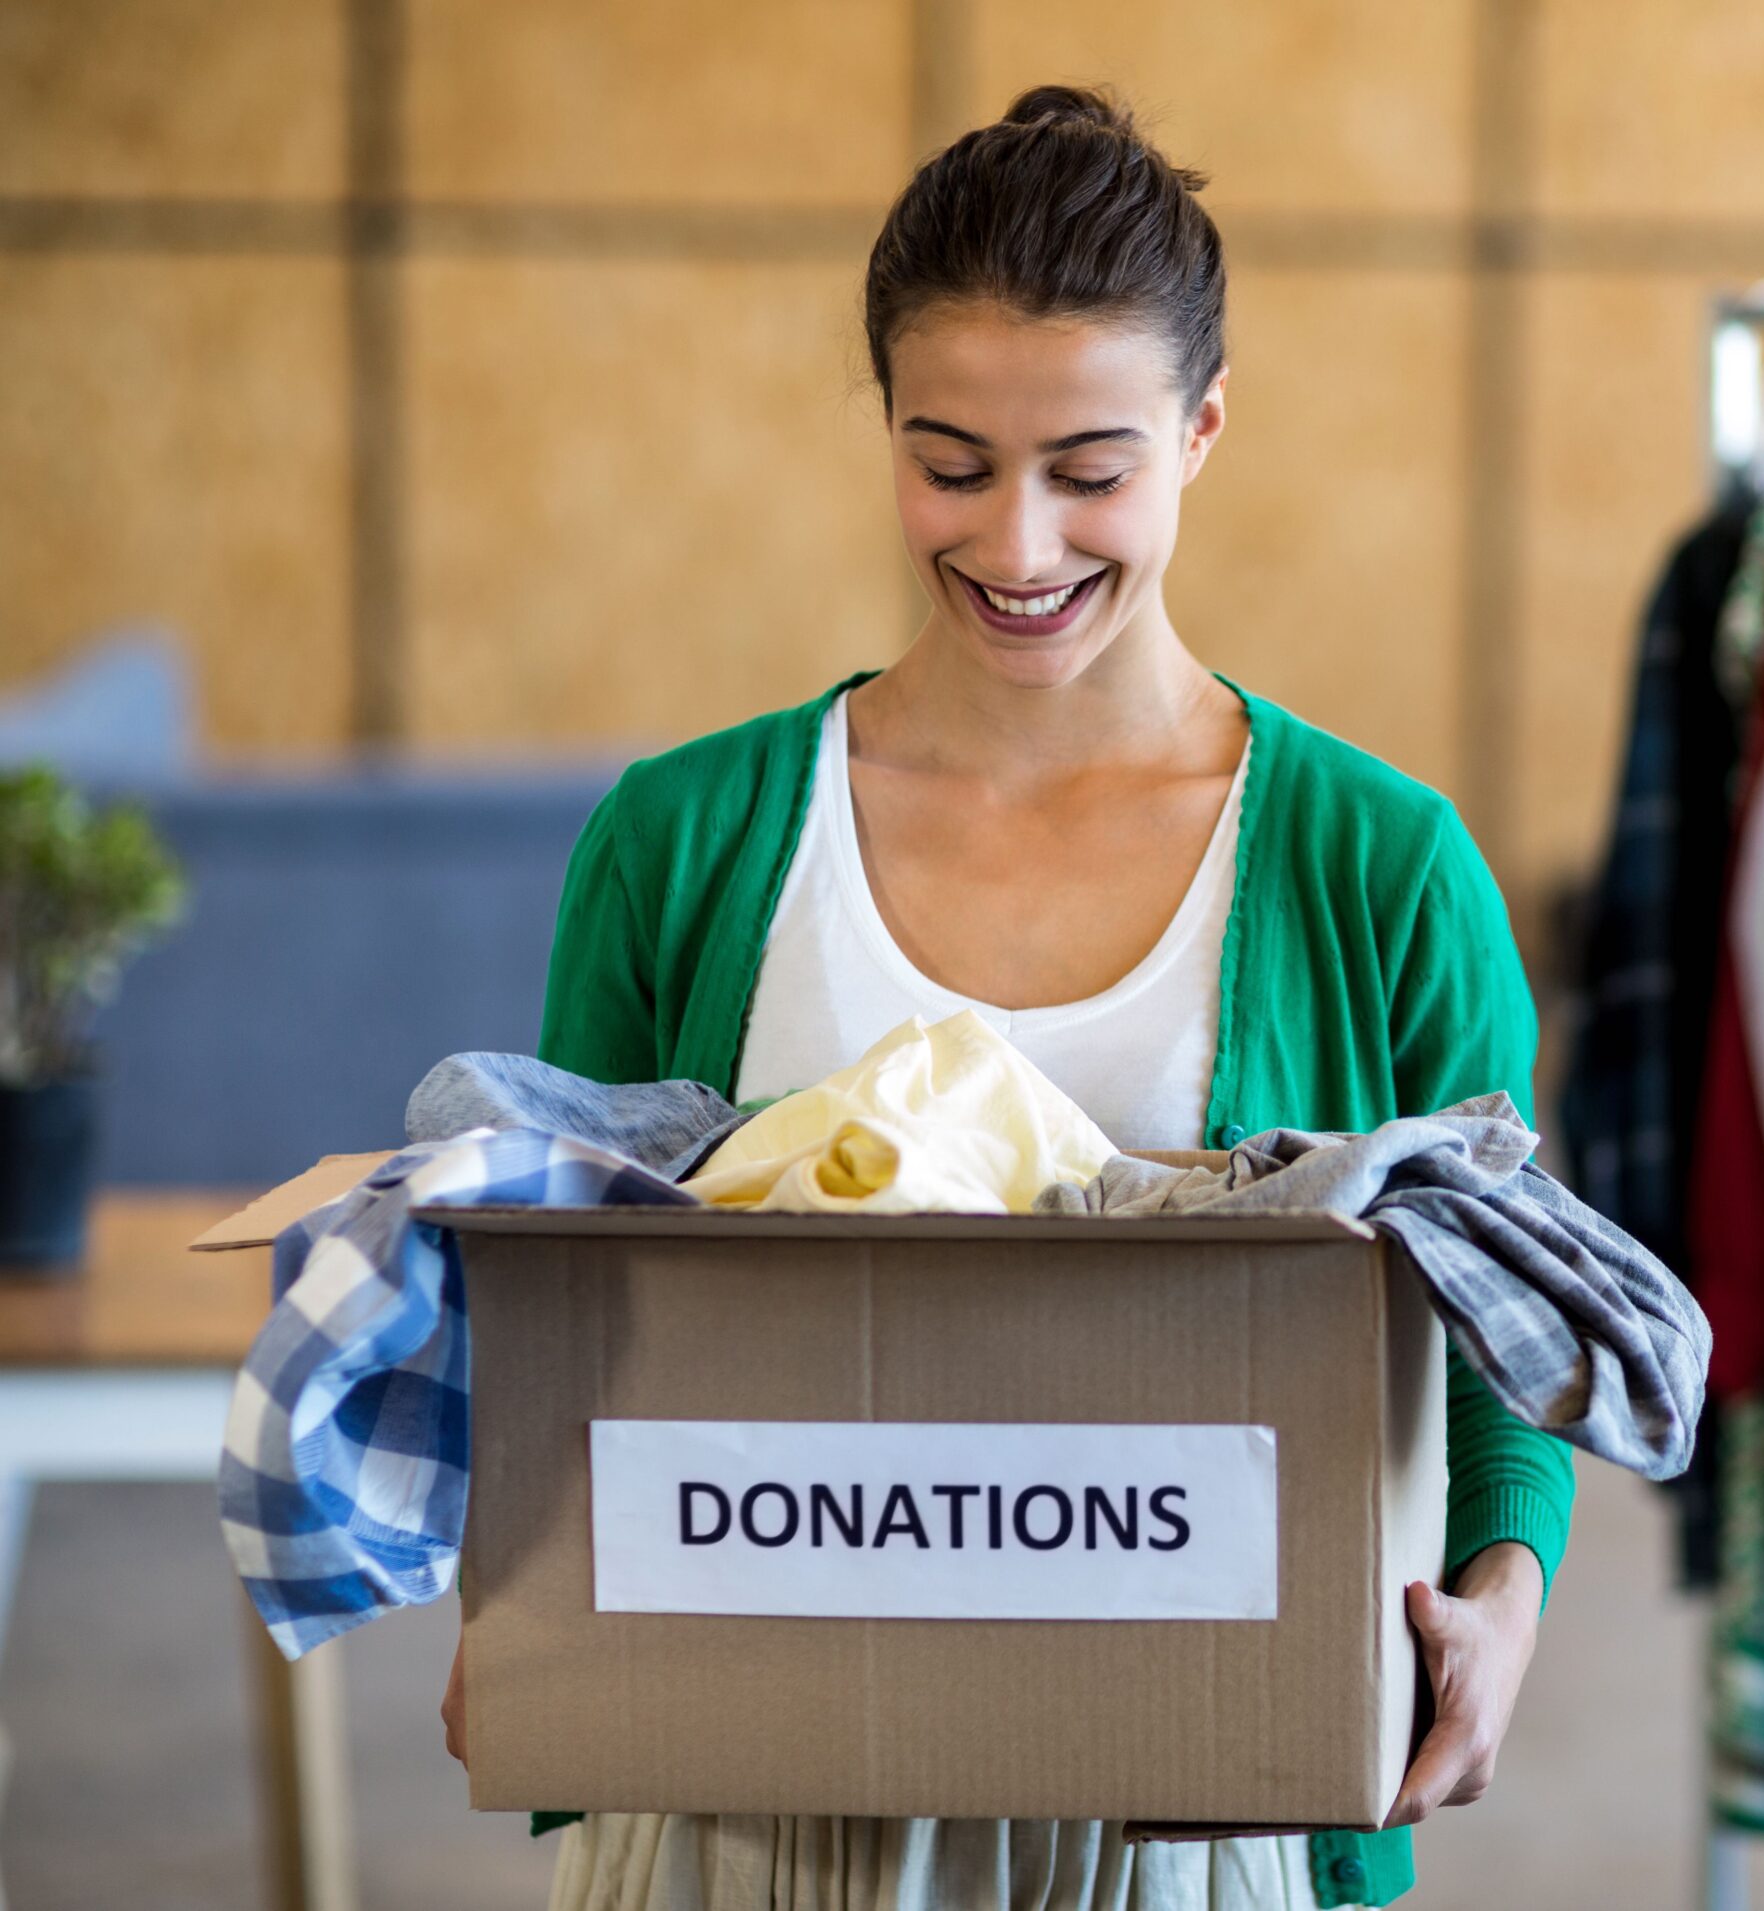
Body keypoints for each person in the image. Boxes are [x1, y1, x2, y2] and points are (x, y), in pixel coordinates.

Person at [442, 83, 1574, 1911]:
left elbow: (1507, 1322)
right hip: (744, 1796)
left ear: (1204, 431)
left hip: (1197, 1806)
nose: (1021, 547)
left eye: (1092, 471)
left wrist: (1504, 1601)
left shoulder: (1382, 868)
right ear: (885, 422)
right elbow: (559, 1297)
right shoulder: (686, 838)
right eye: (951, 464)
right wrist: (519, 1581)